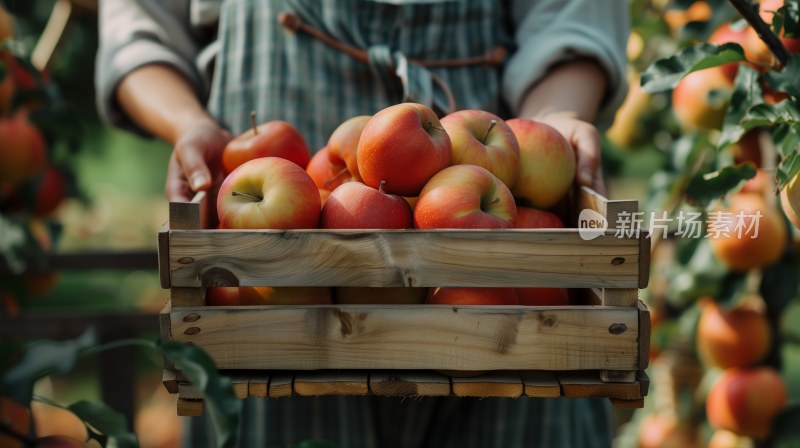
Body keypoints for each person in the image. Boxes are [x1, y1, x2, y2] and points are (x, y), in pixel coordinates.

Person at [96, 1, 630, 447]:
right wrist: (189, 123)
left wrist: (555, 122)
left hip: (500, 318)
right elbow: (139, 23)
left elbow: (571, 16)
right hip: (274, 333)